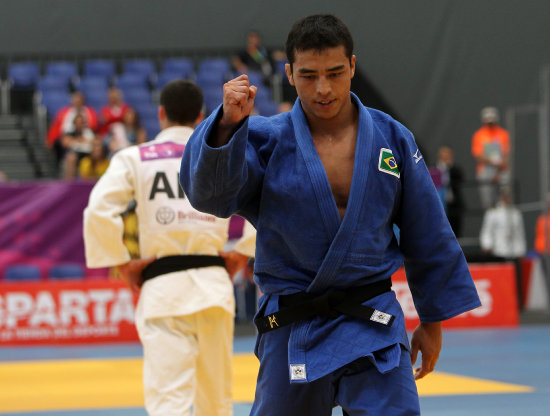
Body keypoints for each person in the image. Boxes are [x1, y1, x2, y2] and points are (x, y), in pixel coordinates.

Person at [180, 14, 480, 415]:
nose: (323, 88)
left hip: (372, 321)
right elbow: (213, 198)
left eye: (335, 73)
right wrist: (227, 126)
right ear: (289, 73)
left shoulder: (391, 138)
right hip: (292, 323)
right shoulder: (266, 139)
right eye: (308, 76)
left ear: (353, 66)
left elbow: (426, 229)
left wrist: (432, 320)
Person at [83, 79, 255, 416]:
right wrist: (243, 251)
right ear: (201, 115)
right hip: (214, 289)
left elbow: (98, 211)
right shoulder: (220, 155)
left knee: (168, 403)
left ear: (160, 114)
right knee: (217, 402)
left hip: (164, 292)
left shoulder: (135, 157)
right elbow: (267, 199)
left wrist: (121, 262)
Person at [479, 186, 526, 307]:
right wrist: (487, 244)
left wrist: (521, 249)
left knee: (516, 279)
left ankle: (517, 305)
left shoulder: (515, 213)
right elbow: (487, 230)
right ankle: (502, 303)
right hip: (499, 250)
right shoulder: (493, 212)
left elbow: (520, 233)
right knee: (500, 280)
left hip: (514, 250)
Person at [471, 106, 510, 209]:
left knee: (505, 194)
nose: (490, 123)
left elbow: (506, 153)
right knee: (487, 201)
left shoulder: (503, 134)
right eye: (488, 120)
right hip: (485, 171)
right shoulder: (479, 135)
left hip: (501, 169)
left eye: (492, 120)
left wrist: (499, 167)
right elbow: (478, 155)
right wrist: (494, 162)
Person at [46, 91, 98, 165]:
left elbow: (94, 129)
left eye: (79, 100)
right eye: (75, 100)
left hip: (86, 139)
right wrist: (50, 139)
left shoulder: (89, 112)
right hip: (68, 139)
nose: (77, 102)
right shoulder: (64, 112)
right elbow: (57, 126)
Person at [436, 146, 465, 238]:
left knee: (455, 227)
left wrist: (449, 168)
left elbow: (460, 180)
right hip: (439, 202)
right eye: (445, 154)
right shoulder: (434, 168)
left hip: (453, 202)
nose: (447, 157)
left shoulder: (455, 169)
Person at [60, 113, 96, 180]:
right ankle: (69, 184)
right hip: (75, 154)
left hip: (87, 154)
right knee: (71, 158)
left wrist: (74, 141)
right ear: (74, 124)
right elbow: (65, 142)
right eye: (77, 122)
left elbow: (93, 142)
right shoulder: (70, 133)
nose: (79, 124)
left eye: (81, 122)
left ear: (84, 123)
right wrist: (81, 140)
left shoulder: (89, 132)